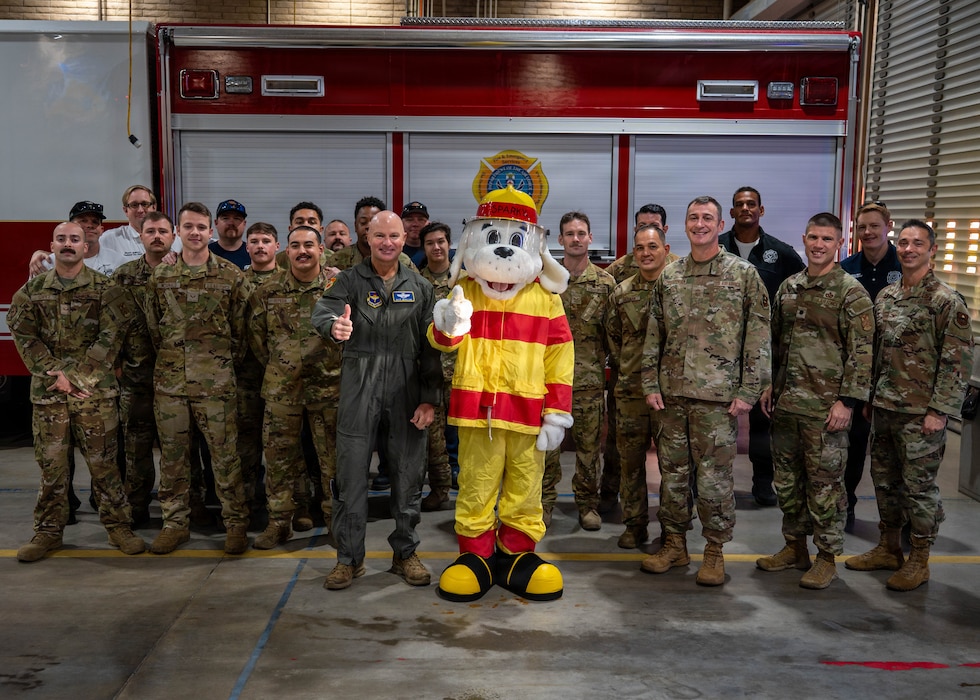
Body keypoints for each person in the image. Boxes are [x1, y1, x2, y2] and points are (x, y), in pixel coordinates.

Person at [640, 195, 770, 586]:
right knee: (673, 477)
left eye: (707, 218)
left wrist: (750, 389)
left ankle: (714, 551)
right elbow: (654, 333)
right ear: (684, 225)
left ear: (719, 224)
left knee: (714, 480)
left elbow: (758, 337)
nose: (700, 224)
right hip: (672, 396)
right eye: (694, 218)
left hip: (718, 399)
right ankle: (675, 544)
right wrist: (649, 381)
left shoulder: (743, 275)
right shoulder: (670, 276)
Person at [312, 210, 441, 590]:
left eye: (394, 236)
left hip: (406, 389)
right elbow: (324, 311)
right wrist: (334, 326)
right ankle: (349, 559)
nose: (387, 242)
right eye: (379, 235)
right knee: (351, 477)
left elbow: (432, 350)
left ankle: (405, 554)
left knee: (407, 475)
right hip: (359, 385)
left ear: (404, 240)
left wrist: (429, 400)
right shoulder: (349, 281)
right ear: (366, 238)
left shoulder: (420, 287)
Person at [845, 219, 973, 591]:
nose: (909, 249)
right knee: (885, 484)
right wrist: (870, 398)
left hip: (921, 415)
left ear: (931, 250)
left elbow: (957, 363)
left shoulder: (946, 301)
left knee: (919, 490)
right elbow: (880, 353)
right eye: (903, 242)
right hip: (885, 408)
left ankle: (919, 559)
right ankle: (888, 547)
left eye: (918, 243)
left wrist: (940, 411)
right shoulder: (887, 297)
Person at [9, 221, 145, 562]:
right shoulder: (32, 291)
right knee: (52, 468)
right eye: (61, 239)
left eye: (75, 239)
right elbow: (24, 336)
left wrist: (78, 378)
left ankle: (118, 527)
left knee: (105, 466)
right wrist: (57, 375)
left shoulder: (106, 289)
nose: (68, 244)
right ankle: (48, 532)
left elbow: (112, 336)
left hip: (95, 397)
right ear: (51, 246)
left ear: (87, 246)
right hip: (50, 395)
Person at [756, 213, 874, 589]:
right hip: (788, 405)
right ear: (804, 239)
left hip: (827, 411)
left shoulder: (850, 293)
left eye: (827, 239)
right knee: (788, 483)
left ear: (839, 244)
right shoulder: (789, 287)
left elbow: (863, 353)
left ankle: (826, 557)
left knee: (825, 488)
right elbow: (776, 343)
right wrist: (771, 384)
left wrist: (848, 402)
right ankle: (795, 547)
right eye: (813, 238)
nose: (819, 245)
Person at [145, 202, 251, 555]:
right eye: (187, 226)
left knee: (225, 458)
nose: (194, 232)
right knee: (173, 459)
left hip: (216, 385)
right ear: (178, 232)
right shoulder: (161, 277)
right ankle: (175, 524)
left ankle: (236, 523)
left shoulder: (231, 276)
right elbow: (153, 328)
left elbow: (241, 331)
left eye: (201, 227)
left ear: (211, 232)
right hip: (171, 386)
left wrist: (218, 364)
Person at [247, 225, 343, 549]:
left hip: (329, 389)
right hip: (281, 390)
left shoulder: (338, 288)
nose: (302, 251)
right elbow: (257, 340)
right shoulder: (267, 291)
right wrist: (282, 365)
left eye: (309, 245)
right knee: (278, 460)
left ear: (320, 250)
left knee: (333, 462)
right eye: (295, 245)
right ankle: (278, 524)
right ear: (285, 251)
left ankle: (336, 522)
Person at [718, 186, 805, 507]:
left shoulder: (780, 253)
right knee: (716, 421)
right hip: (720, 354)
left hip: (762, 354)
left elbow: (801, 292)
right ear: (731, 213)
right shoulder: (716, 246)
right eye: (739, 204)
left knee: (761, 422)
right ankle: (714, 483)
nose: (745, 209)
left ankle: (763, 482)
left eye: (751, 204)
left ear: (761, 210)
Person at [601, 203, 678, 514]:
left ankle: (673, 532)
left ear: (665, 246)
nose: (646, 253)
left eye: (653, 246)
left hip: (673, 391)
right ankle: (633, 523)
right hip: (630, 389)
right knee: (628, 459)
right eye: (640, 247)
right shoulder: (620, 289)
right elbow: (613, 338)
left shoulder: (679, 284)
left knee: (673, 464)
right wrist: (632, 367)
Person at [541, 211, 615, 531]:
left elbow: (614, 334)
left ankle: (587, 505)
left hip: (587, 382)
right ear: (560, 240)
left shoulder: (605, 283)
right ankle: (543, 503)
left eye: (581, 233)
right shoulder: (545, 280)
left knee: (588, 451)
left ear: (589, 238)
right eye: (569, 233)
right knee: (547, 449)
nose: (575, 238)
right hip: (549, 382)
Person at [840, 201, 903, 529]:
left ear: (888, 226)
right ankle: (847, 505)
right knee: (854, 444)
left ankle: (898, 520)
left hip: (899, 374)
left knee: (896, 450)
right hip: (859, 373)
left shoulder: (904, 264)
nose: (867, 232)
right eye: (862, 227)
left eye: (874, 226)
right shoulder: (847, 267)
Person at [112, 211, 177, 526]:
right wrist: (115, 364)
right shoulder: (124, 276)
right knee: (136, 447)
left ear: (172, 234)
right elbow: (110, 324)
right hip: (137, 376)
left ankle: (179, 510)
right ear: (141, 235)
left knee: (177, 450)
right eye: (150, 231)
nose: (157, 237)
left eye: (162, 231)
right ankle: (136, 507)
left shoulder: (184, 271)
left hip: (176, 378)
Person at [419, 222, 458, 512]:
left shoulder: (465, 281)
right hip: (430, 371)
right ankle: (440, 488)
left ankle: (471, 489)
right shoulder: (417, 283)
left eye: (441, 241)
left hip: (462, 371)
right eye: (430, 242)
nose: (436, 247)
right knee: (434, 439)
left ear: (449, 244)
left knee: (468, 437)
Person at [28, 201, 127, 278]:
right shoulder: (48, 263)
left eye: (95, 222)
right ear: (71, 226)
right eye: (83, 221)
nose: (89, 225)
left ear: (101, 230)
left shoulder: (119, 262)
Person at [209, 199, 251, 269]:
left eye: (237, 218)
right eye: (225, 218)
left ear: (244, 224)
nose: (231, 223)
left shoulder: (254, 254)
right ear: (216, 223)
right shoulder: (205, 254)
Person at [401, 201, 430, 267]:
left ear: (428, 224)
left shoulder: (435, 252)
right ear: (401, 223)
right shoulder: (394, 252)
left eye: (421, 220)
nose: (415, 224)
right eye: (409, 220)